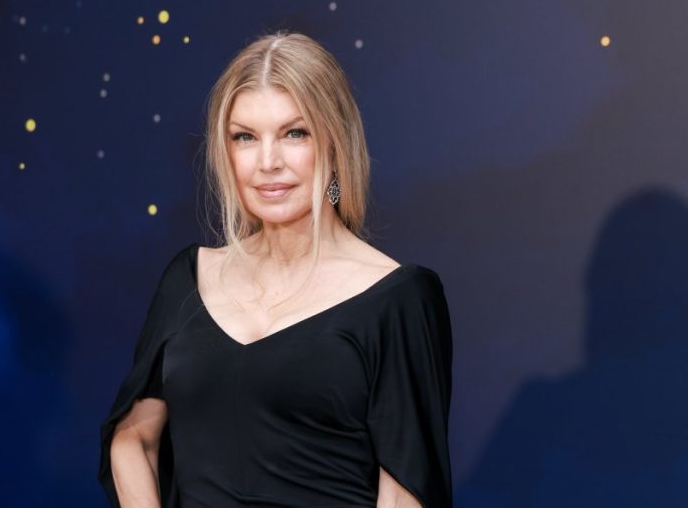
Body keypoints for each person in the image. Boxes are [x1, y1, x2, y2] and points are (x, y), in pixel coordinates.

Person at [98, 31, 453, 507]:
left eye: (294, 133)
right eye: (245, 137)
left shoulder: (398, 297)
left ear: (335, 144)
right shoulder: (189, 279)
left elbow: (405, 492)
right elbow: (134, 439)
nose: (268, 162)